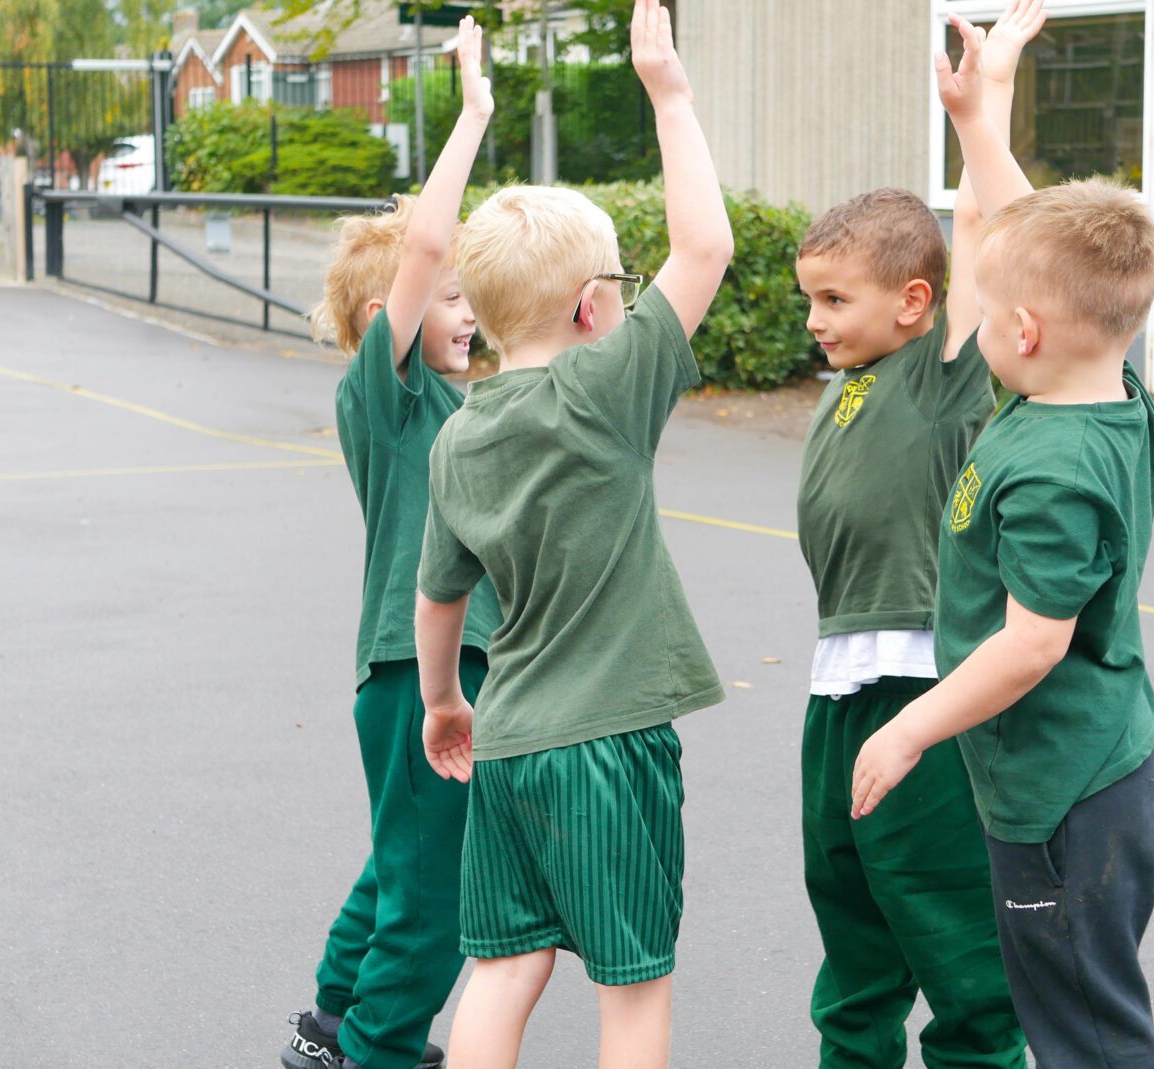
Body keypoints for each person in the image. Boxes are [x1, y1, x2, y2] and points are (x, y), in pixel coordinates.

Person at [409, 3, 732, 1067]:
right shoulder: (603, 391)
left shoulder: (457, 437)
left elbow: (438, 597)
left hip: (507, 741)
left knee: (504, 969)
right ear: (596, 307)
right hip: (607, 739)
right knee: (633, 985)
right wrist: (668, 93)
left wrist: (445, 699)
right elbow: (706, 245)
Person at [851, 14, 1154, 1069]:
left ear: (1023, 330)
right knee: (1074, 1011)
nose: (972, 323)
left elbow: (1032, 644)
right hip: (1087, 767)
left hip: (1064, 793)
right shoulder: (1107, 385)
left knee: (1086, 1029)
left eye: (983, 308)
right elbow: (1027, 236)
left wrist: (908, 732)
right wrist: (978, 112)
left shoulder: (1052, 468)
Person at [791, 6, 1051, 1068]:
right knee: (850, 938)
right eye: (808, 297)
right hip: (837, 690)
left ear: (913, 303)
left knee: (952, 945)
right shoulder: (849, 382)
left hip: (920, 689)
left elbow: (987, 230)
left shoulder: (944, 375)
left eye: (832, 299)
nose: (813, 318)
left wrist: (982, 101)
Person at [282, 20, 500, 1069]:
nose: (469, 312)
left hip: (449, 665)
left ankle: (335, 1013)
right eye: (454, 298)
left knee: (404, 858)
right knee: (437, 882)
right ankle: (378, 1046)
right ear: (390, 319)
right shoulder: (387, 395)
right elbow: (423, 248)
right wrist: (471, 113)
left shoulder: (466, 407)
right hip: (417, 669)